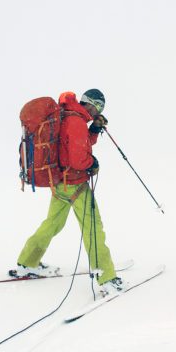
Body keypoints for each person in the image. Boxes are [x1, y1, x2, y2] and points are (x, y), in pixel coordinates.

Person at [13, 89, 123, 297]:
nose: (98, 111)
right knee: (93, 229)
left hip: (59, 182)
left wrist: (94, 130)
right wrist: (92, 163)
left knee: (53, 223)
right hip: (74, 183)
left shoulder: (65, 114)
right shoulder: (76, 121)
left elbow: (75, 144)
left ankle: (28, 262)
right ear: (92, 104)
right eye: (98, 108)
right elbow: (77, 158)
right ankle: (107, 278)